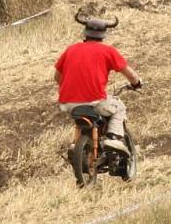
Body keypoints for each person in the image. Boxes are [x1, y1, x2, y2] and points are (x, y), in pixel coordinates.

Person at [55, 12, 142, 153]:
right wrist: (137, 83)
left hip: (67, 103)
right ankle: (113, 137)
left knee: (81, 122)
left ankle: (75, 145)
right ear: (103, 35)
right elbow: (130, 74)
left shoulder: (70, 50)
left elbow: (57, 77)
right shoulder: (108, 51)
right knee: (119, 107)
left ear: (85, 33)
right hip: (95, 101)